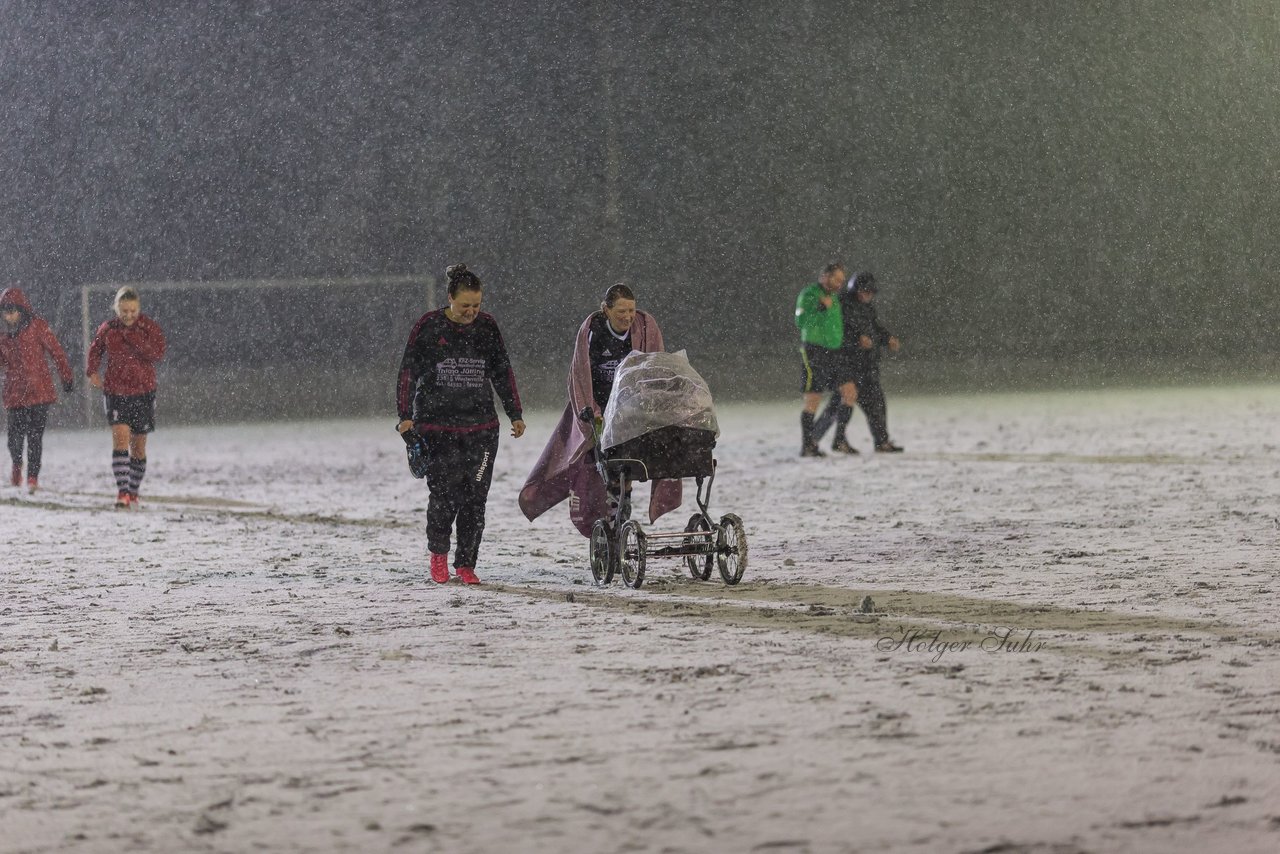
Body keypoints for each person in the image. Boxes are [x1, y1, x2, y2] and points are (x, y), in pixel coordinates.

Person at [396, 264, 525, 585]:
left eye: (477, 305)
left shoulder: (487, 327)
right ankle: (438, 555)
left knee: (475, 498)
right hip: (437, 428)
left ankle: (466, 564)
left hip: (481, 429)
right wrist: (404, 415)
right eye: (465, 305)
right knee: (444, 495)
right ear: (450, 298)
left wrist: (515, 412)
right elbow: (408, 372)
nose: (471, 312)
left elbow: (502, 371)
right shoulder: (428, 326)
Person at [519, 283, 680, 537]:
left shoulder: (646, 327)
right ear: (606, 309)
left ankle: (620, 520)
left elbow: (656, 368)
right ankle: (606, 522)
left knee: (625, 467)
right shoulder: (592, 332)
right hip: (599, 413)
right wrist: (592, 413)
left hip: (631, 413)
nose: (627, 317)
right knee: (599, 469)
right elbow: (579, 376)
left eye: (631, 310)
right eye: (621, 312)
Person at [86, 286, 167, 508]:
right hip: (116, 392)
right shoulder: (108, 329)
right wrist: (92, 370)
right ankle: (122, 493)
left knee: (138, 447)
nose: (128, 315)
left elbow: (158, 352)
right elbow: (95, 349)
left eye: (132, 310)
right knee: (120, 439)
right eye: (124, 311)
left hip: (143, 392)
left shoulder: (148, 327)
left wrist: (136, 339)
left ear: (138, 309)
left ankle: (134, 490)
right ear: (116, 309)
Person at [814, 272, 903, 452]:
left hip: (867, 365)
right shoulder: (841, 305)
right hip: (847, 365)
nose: (868, 295)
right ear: (855, 289)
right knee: (839, 404)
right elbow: (835, 334)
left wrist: (887, 339)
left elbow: (874, 328)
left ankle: (881, 442)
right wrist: (856, 341)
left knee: (876, 404)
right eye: (864, 291)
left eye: (870, 292)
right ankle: (816, 440)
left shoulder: (867, 308)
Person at [1, 287, 74, 493]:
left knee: (34, 437)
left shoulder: (37, 327)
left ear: (22, 310)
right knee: (14, 438)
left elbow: (56, 351)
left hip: (38, 392)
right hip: (14, 394)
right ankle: (17, 463)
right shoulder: (3, 338)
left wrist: (66, 376)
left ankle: (33, 476)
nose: (9, 315)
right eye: (6, 311)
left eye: (13, 310)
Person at [795, 262, 857, 457]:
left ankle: (839, 440)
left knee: (849, 392)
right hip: (815, 351)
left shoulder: (835, 298)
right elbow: (800, 321)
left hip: (834, 352)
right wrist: (820, 307)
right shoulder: (809, 294)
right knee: (813, 398)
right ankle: (807, 446)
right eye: (837, 279)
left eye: (842, 280)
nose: (840, 283)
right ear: (824, 277)